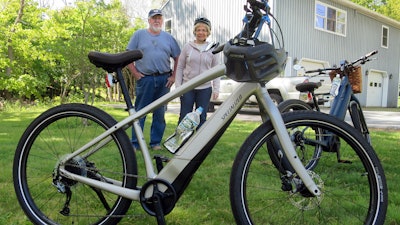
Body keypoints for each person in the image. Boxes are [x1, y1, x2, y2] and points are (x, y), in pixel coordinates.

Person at [126, 9, 181, 150]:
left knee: (160, 112)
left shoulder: (168, 38)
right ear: (149, 20)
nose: (157, 21)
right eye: (154, 18)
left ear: (162, 21)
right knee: (140, 112)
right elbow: (128, 55)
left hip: (164, 79)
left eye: (159, 18)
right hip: (146, 79)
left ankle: (155, 142)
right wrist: (135, 74)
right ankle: (135, 143)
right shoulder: (139, 35)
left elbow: (177, 57)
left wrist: (174, 76)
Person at [175, 17, 220, 128]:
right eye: (198, 30)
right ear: (195, 31)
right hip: (188, 87)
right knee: (184, 116)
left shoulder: (213, 48)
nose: (201, 32)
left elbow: (216, 70)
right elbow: (180, 67)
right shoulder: (187, 47)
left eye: (204, 30)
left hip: (204, 90)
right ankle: (181, 144)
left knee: (201, 117)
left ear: (208, 32)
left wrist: (216, 88)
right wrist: (178, 87)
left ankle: (199, 144)